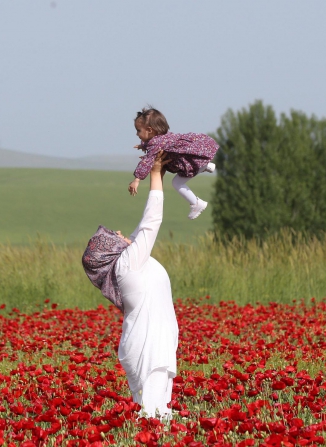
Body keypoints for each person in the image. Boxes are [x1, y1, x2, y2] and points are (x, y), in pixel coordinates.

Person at [82, 152, 178, 420]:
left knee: (152, 414)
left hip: (149, 343)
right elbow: (151, 222)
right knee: (154, 416)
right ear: (110, 251)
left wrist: (160, 171)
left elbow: (139, 230)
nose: (122, 234)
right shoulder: (127, 263)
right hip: (149, 347)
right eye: (116, 236)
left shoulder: (126, 262)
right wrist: (155, 174)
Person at [128, 107, 219, 220]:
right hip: (188, 158)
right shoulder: (163, 137)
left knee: (177, 183)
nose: (137, 134)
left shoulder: (156, 143)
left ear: (150, 130)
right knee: (183, 171)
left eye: (138, 130)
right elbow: (153, 142)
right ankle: (205, 165)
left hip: (187, 162)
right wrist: (144, 146)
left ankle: (196, 203)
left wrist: (137, 179)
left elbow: (146, 161)